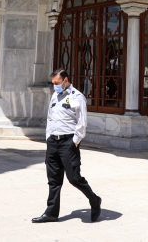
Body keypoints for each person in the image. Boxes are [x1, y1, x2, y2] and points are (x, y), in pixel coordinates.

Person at [32, 69, 102, 223]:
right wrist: (48, 137)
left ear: (65, 80)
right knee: (53, 180)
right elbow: (50, 117)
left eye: (57, 83)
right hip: (53, 142)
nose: (55, 86)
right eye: (53, 83)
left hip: (68, 142)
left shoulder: (77, 96)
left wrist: (75, 141)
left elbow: (82, 121)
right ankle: (51, 212)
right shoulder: (55, 96)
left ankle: (95, 200)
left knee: (74, 178)